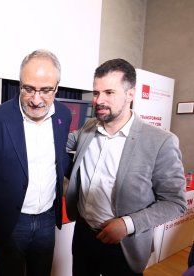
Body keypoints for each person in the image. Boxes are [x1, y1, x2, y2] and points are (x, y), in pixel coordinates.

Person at [65, 58, 187, 275]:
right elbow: (58, 143)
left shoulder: (160, 141)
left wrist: (127, 224)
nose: (99, 100)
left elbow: (175, 202)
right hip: (84, 235)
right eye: (96, 93)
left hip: (125, 244)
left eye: (109, 93)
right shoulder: (87, 128)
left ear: (131, 94)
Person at [0, 49, 72, 276]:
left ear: (57, 87)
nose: (36, 99)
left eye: (46, 90)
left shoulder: (64, 115)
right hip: (10, 220)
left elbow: (60, 159)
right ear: (20, 83)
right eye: (28, 88)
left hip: (48, 219)